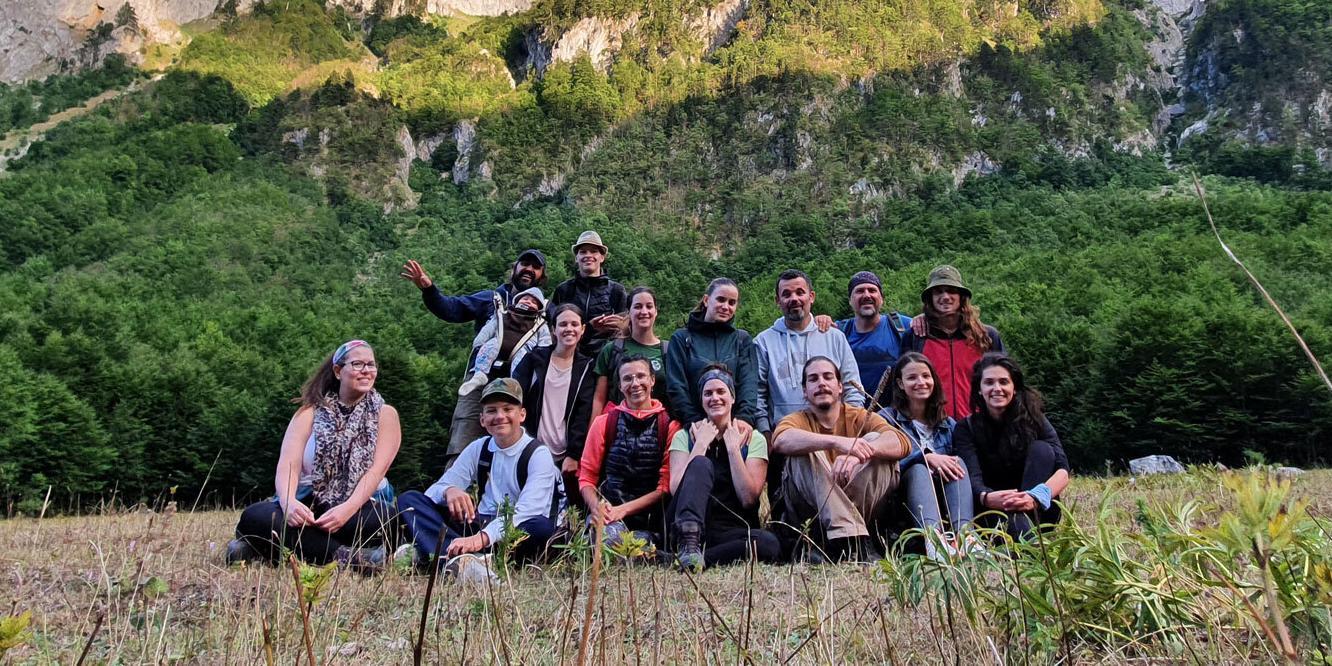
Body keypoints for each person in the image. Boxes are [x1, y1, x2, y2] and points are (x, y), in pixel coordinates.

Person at [228, 340, 401, 571]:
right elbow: (289, 464)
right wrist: (289, 503)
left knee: (389, 519)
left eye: (371, 364)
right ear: (338, 371)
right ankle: (347, 557)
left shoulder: (385, 414)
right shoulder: (309, 412)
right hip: (308, 503)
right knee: (255, 516)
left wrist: (346, 509)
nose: (366, 370)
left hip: (359, 505)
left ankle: (267, 548)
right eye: (358, 364)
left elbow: (377, 470)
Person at [400, 249, 548, 464]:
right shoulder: (491, 299)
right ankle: (453, 491)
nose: (529, 269)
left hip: (517, 389)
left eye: (535, 267)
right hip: (478, 383)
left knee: (510, 449)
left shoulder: (543, 312)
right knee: (463, 440)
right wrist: (429, 289)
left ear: (542, 276)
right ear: (514, 268)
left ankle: (500, 497)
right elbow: (451, 309)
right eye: (525, 264)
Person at [396, 378, 564, 566]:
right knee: (409, 500)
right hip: (479, 523)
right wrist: (449, 491)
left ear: (522, 414)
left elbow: (528, 511)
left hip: (515, 530)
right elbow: (434, 492)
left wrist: (481, 539)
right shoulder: (479, 447)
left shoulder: (538, 454)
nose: (500, 416)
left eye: (507, 409)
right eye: (491, 411)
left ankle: (437, 553)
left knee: (540, 528)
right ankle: (456, 558)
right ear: (482, 419)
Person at [771, 357, 912, 562]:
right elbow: (781, 440)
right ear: (804, 390)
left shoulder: (859, 416)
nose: (821, 383)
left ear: (839, 387)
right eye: (813, 379)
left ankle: (844, 539)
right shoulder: (797, 420)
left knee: (874, 440)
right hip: (812, 517)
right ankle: (851, 539)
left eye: (828, 377)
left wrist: (861, 452)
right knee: (805, 448)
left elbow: (901, 442)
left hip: (864, 509)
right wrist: (836, 443)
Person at [755, 270, 865, 528]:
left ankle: (846, 533)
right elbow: (758, 392)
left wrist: (852, 428)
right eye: (786, 294)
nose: (794, 298)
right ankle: (795, 537)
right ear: (777, 301)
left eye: (799, 292)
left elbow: (853, 386)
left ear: (811, 296)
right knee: (790, 513)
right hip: (786, 437)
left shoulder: (833, 337)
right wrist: (765, 430)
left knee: (837, 495)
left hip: (834, 433)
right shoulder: (763, 342)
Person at [668, 365, 781, 571]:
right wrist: (701, 445)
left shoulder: (752, 439)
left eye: (721, 392)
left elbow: (748, 498)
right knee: (701, 464)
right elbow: (676, 490)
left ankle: (697, 559)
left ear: (733, 397)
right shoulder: (684, 436)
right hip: (689, 527)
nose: (715, 398)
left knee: (769, 544)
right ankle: (688, 547)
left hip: (730, 531)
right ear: (701, 400)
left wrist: (733, 449)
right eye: (708, 393)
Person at [953, 353, 1069, 540]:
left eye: (1003, 382)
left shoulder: (1034, 418)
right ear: (979, 390)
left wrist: (1034, 497)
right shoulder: (966, 428)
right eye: (989, 382)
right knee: (1011, 523)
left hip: (1037, 505)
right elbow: (971, 477)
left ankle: (1027, 526)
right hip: (993, 509)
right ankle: (1023, 534)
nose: (997, 388)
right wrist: (987, 497)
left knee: (1042, 449)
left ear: (1014, 387)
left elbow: (1062, 469)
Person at [879, 352, 973, 558]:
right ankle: (934, 539)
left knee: (958, 462)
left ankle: (965, 536)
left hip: (943, 495)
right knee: (918, 468)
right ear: (900, 384)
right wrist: (924, 457)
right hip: (902, 496)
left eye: (926, 376)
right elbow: (884, 460)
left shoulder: (948, 424)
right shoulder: (886, 417)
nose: (921, 382)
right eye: (912, 378)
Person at [578, 355, 679, 547]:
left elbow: (664, 488)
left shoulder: (669, 426)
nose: (635, 383)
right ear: (620, 385)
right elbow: (586, 477)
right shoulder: (604, 422)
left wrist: (623, 510)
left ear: (652, 380)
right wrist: (597, 508)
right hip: (610, 515)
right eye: (627, 378)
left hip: (651, 519)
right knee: (604, 541)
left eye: (641, 376)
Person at [512, 304, 597, 502]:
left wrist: (575, 454)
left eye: (575, 324)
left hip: (564, 455)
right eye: (563, 324)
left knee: (562, 508)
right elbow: (515, 396)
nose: (569, 328)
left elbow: (583, 412)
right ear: (553, 330)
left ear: (583, 329)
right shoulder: (535, 358)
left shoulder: (586, 367)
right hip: (531, 447)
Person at [903, 265, 1004, 421]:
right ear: (930, 298)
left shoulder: (986, 336)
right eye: (938, 291)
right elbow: (903, 385)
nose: (945, 296)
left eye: (951, 290)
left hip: (979, 425)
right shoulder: (916, 336)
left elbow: (1006, 381)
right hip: (933, 427)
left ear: (961, 296)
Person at [664, 277, 759, 429]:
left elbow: (749, 383)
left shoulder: (742, 340)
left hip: (734, 427)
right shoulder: (682, 339)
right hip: (693, 427)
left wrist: (744, 418)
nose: (726, 306)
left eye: (732, 302)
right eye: (721, 299)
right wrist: (693, 422)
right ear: (707, 300)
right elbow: (676, 385)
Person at [828, 271, 914, 397]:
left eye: (872, 290)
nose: (867, 295)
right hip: (853, 413)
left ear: (882, 299)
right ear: (850, 300)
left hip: (896, 415)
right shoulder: (838, 332)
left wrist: (923, 318)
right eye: (860, 291)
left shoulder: (903, 326)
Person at [589, 286, 668, 421]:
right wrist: (593, 435)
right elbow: (599, 399)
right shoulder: (612, 349)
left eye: (649, 306)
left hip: (657, 428)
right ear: (629, 312)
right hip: (618, 427)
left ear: (656, 312)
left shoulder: (668, 350)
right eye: (637, 307)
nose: (644, 311)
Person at [547, 230, 628, 356]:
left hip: (605, 360)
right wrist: (589, 327)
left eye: (594, 251)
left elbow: (625, 329)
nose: (588, 255)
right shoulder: (563, 290)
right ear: (576, 258)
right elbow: (553, 325)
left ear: (602, 257)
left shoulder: (617, 291)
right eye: (583, 251)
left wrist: (620, 325)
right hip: (570, 357)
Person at [457, 288, 551, 395]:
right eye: (525, 298)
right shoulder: (502, 315)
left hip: (522, 350)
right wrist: (479, 343)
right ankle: (479, 375)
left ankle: (515, 384)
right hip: (499, 342)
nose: (528, 302)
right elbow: (488, 329)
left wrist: (542, 357)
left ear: (539, 309)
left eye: (534, 302)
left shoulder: (541, 325)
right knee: (489, 347)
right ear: (517, 300)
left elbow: (545, 343)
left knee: (522, 362)